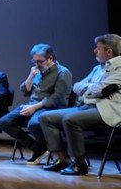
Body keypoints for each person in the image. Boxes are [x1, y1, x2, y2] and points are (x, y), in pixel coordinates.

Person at [39, 34, 121, 176]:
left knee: (70, 120)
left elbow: (99, 90)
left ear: (109, 52)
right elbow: (77, 86)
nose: (95, 51)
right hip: (87, 106)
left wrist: (93, 89)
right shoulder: (98, 68)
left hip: (106, 109)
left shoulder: (119, 68)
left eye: (98, 48)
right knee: (46, 117)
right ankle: (63, 159)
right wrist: (94, 89)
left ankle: (80, 164)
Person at [0, 44, 72, 164]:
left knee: (34, 124)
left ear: (50, 59)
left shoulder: (63, 73)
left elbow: (56, 98)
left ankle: (53, 152)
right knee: (4, 122)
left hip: (49, 108)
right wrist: (31, 76)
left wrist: (34, 107)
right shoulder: (38, 71)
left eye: (40, 61)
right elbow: (25, 92)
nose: (37, 64)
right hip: (33, 105)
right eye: (34, 61)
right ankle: (37, 148)